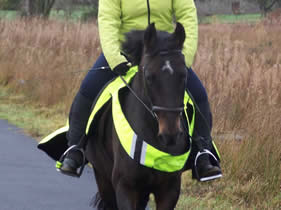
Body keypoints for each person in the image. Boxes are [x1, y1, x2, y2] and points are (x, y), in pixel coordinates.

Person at [59, 0, 222, 181]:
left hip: (164, 52)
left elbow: (187, 16)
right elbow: (108, 20)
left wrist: (185, 57)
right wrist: (114, 58)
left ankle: (202, 153)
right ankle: (75, 149)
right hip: (126, 50)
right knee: (88, 89)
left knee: (198, 94)